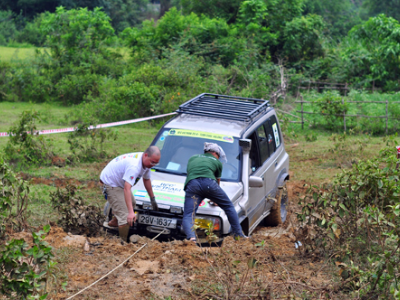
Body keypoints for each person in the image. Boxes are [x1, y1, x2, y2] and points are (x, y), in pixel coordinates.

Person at [182, 142, 245, 242]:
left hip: (192, 184)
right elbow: (217, 182)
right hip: (209, 184)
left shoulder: (193, 158)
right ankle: (239, 235)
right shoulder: (217, 162)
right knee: (228, 206)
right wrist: (214, 198)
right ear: (216, 153)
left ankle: (192, 238)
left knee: (188, 214)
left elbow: (192, 172)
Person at [100, 146, 160, 242]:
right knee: (125, 217)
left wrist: (152, 198)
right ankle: (122, 243)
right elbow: (127, 189)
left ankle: (114, 222)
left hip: (120, 183)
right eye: (152, 162)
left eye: (156, 163)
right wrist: (131, 213)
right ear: (145, 155)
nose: (153, 165)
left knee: (131, 203)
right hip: (111, 183)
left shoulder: (147, 162)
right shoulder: (135, 166)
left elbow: (147, 179)